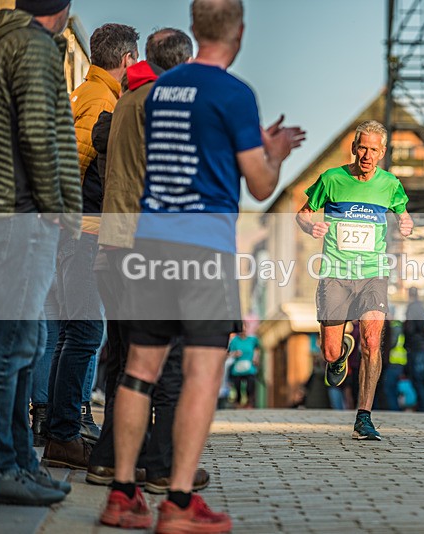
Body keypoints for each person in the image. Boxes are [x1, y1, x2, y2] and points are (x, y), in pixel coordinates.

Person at [99, 0, 304, 530]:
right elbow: (259, 184)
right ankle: (179, 503)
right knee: (200, 372)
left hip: (150, 242)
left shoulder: (160, 90)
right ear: (239, 30)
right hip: (203, 250)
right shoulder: (234, 94)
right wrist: (275, 151)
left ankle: (123, 495)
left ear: (193, 28)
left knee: (138, 370)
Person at [0, 0, 81, 504]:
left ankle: (20, 463)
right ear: (63, 8)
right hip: (19, 212)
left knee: (21, 343)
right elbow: (38, 132)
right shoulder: (32, 46)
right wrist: (60, 210)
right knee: (13, 345)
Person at [89, 29, 208, 495]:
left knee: (123, 360)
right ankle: (161, 465)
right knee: (168, 362)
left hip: (112, 246)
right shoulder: (164, 104)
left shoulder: (125, 101)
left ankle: (106, 460)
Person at [43, 22, 139, 470]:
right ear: (125, 61)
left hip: (74, 233)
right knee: (84, 333)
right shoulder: (102, 101)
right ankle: (64, 433)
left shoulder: (85, 93)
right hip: (82, 232)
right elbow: (73, 170)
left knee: (73, 334)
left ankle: (70, 427)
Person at [297, 119, 413, 439]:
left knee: (373, 341)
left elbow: (403, 212)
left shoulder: (390, 184)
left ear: (382, 153)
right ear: (353, 147)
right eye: (362, 147)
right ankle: (340, 353)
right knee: (331, 352)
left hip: (373, 273)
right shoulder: (332, 179)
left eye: (374, 150)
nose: (367, 155)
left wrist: (405, 223)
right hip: (335, 272)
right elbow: (304, 213)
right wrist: (311, 227)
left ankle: (364, 416)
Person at [403, 287, 424, 412]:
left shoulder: (412, 307)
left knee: (417, 378)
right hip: (421, 345)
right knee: (420, 377)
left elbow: (410, 328)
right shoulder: (421, 307)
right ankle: (422, 405)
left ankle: (422, 406)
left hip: (415, 346)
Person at [228, 323, 261, 409]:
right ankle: (238, 402)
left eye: (245, 328)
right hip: (237, 367)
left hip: (249, 367)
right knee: (237, 386)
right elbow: (228, 353)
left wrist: (256, 357)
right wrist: (235, 353)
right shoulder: (234, 340)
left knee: (250, 385)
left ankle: (249, 403)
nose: (243, 331)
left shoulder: (252, 340)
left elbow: (257, 349)